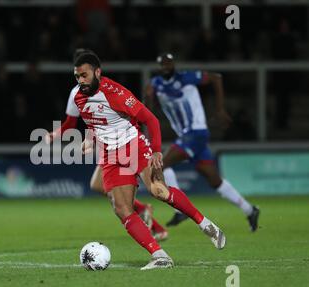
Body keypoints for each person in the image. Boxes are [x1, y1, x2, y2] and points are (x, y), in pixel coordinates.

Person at [67, 51, 226, 270]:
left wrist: (157, 151)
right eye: (77, 77)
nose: (80, 81)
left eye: (84, 75)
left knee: (158, 190)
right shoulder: (78, 96)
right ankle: (160, 256)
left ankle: (205, 224)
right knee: (122, 209)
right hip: (111, 155)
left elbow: (150, 119)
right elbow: (96, 123)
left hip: (133, 145)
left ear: (97, 72)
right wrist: (89, 140)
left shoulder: (116, 93)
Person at [45, 49, 168, 241]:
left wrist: (60, 134)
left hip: (121, 143)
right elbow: (81, 121)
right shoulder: (77, 93)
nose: (80, 76)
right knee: (99, 186)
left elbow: (103, 117)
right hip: (108, 143)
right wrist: (78, 136)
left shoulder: (102, 89)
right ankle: (146, 215)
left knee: (112, 192)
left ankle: (151, 222)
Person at [144, 53, 260, 231]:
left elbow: (216, 78)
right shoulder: (156, 84)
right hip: (187, 135)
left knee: (162, 163)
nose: (166, 66)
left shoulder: (186, 78)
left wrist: (220, 109)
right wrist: (149, 97)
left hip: (196, 133)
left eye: (169, 62)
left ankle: (179, 207)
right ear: (159, 67)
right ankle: (250, 209)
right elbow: (149, 111)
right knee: (214, 180)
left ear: (174, 64)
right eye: (163, 64)